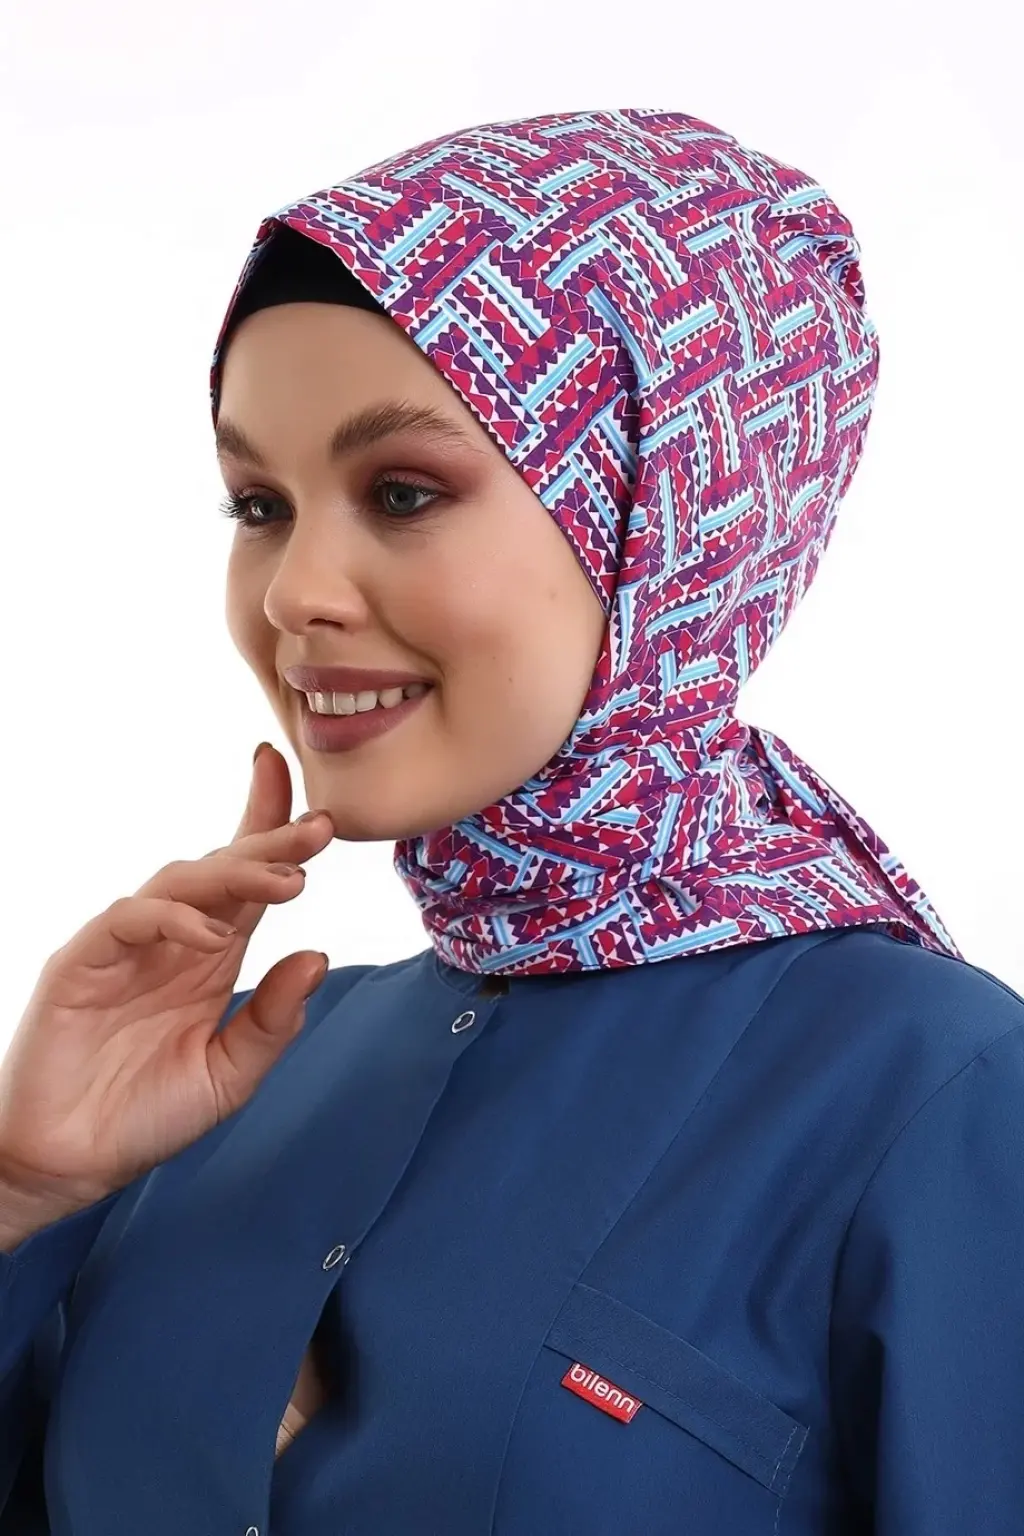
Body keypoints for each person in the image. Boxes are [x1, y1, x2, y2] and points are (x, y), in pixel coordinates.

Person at [0, 106, 1021, 1535]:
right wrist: (27, 1194)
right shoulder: (230, 1075)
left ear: (665, 517)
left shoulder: (931, 1091)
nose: (293, 592)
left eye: (402, 492)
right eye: (258, 504)